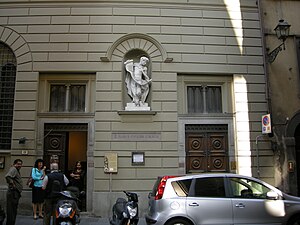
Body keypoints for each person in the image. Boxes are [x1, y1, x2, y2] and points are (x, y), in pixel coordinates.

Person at [5, 159, 23, 225]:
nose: (19, 165)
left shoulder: (16, 170)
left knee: (13, 211)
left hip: (15, 193)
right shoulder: (13, 169)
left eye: (20, 164)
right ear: (14, 164)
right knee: (11, 211)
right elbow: (8, 176)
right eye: (18, 164)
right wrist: (12, 184)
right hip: (13, 193)